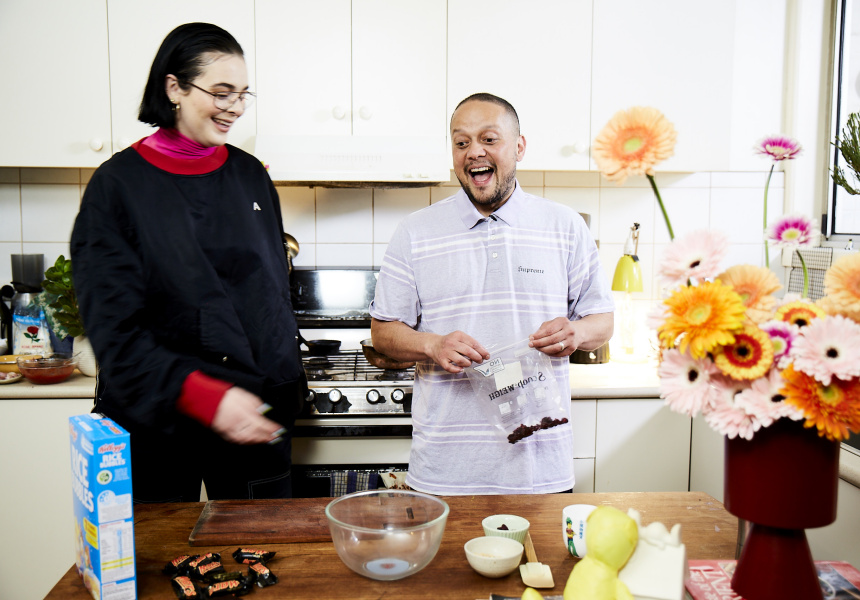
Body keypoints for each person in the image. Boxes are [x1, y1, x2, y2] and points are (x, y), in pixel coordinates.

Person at [70, 23, 307, 502]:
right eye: (221, 92)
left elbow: (267, 295)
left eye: (242, 94)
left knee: (259, 545)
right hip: (156, 416)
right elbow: (114, 329)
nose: (235, 107)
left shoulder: (250, 176)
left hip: (252, 416)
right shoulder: (117, 187)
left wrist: (285, 386)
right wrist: (204, 396)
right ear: (174, 87)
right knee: (161, 547)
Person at [369, 93, 614, 495]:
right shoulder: (415, 231)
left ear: (519, 147)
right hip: (444, 471)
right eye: (461, 142)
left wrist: (577, 333)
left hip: (540, 470)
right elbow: (383, 333)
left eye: (489, 139)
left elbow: (602, 321)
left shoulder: (565, 226)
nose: (474, 152)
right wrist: (432, 345)